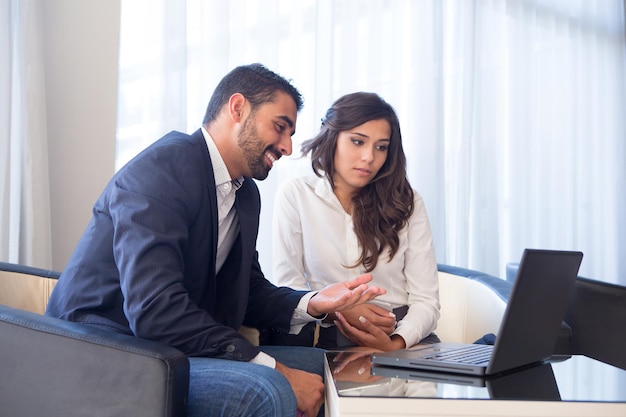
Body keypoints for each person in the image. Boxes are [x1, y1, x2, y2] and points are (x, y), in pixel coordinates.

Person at [46, 64, 386, 417]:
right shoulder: (164, 168)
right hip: (108, 350)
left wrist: (313, 303)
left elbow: (248, 290)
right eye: (280, 127)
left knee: (328, 367)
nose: (287, 147)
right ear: (237, 108)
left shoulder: (245, 195)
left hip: (168, 348)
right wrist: (275, 369)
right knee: (267, 388)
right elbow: (154, 309)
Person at [266, 92, 440, 352]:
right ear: (332, 137)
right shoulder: (296, 194)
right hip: (326, 336)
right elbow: (289, 286)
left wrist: (395, 344)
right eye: (358, 142)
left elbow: (426, 300)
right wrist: (339, 309)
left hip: (402, 336)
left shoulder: (407, 201)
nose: (369, 157)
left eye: (381, 147)